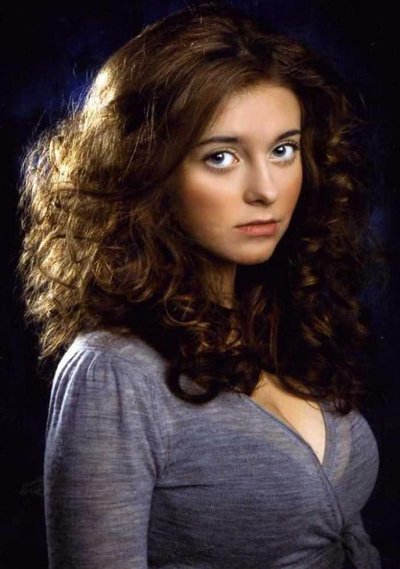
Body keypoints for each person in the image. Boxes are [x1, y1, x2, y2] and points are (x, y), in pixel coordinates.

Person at [19, 2, 384, 568]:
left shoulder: (284, 322)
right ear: (149, 170)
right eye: (221, 157)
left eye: (283, 150)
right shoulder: (113, 371)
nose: (266, 190)